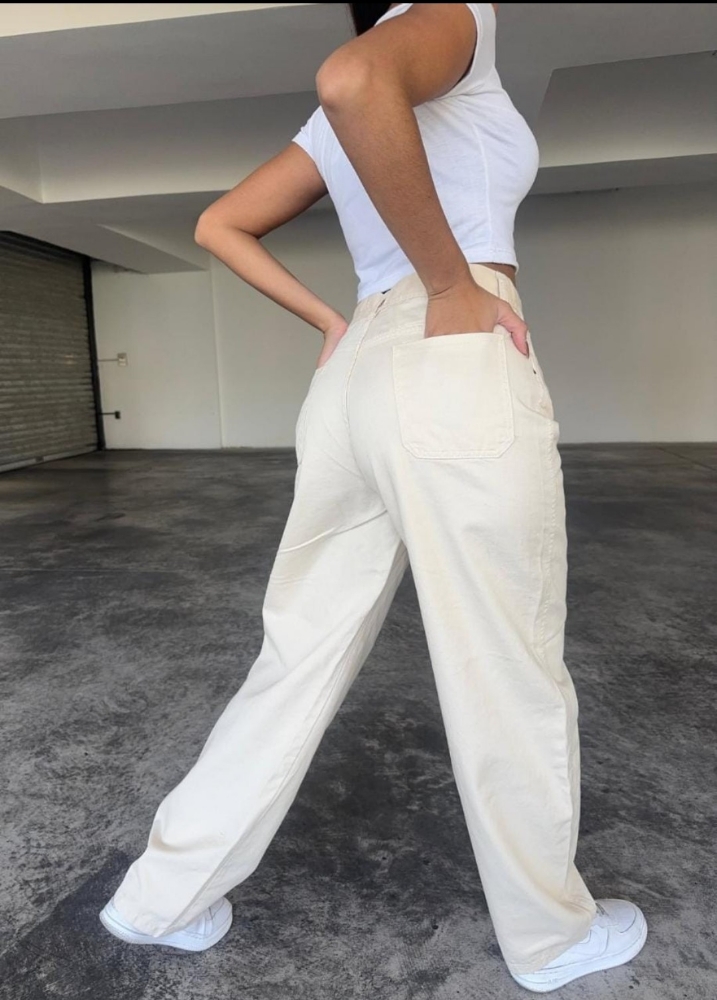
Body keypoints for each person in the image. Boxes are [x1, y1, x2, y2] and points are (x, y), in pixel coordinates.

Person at [99, 3, 647, 991]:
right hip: (452, 354)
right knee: (505, 662)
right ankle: (551, 937)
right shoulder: (459, 17)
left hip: (352, 379)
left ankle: (158, 898)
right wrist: (450, 283)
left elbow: (218, 224)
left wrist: (330, 322)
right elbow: (353, 80)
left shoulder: (351, 111)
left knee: (295, 654)